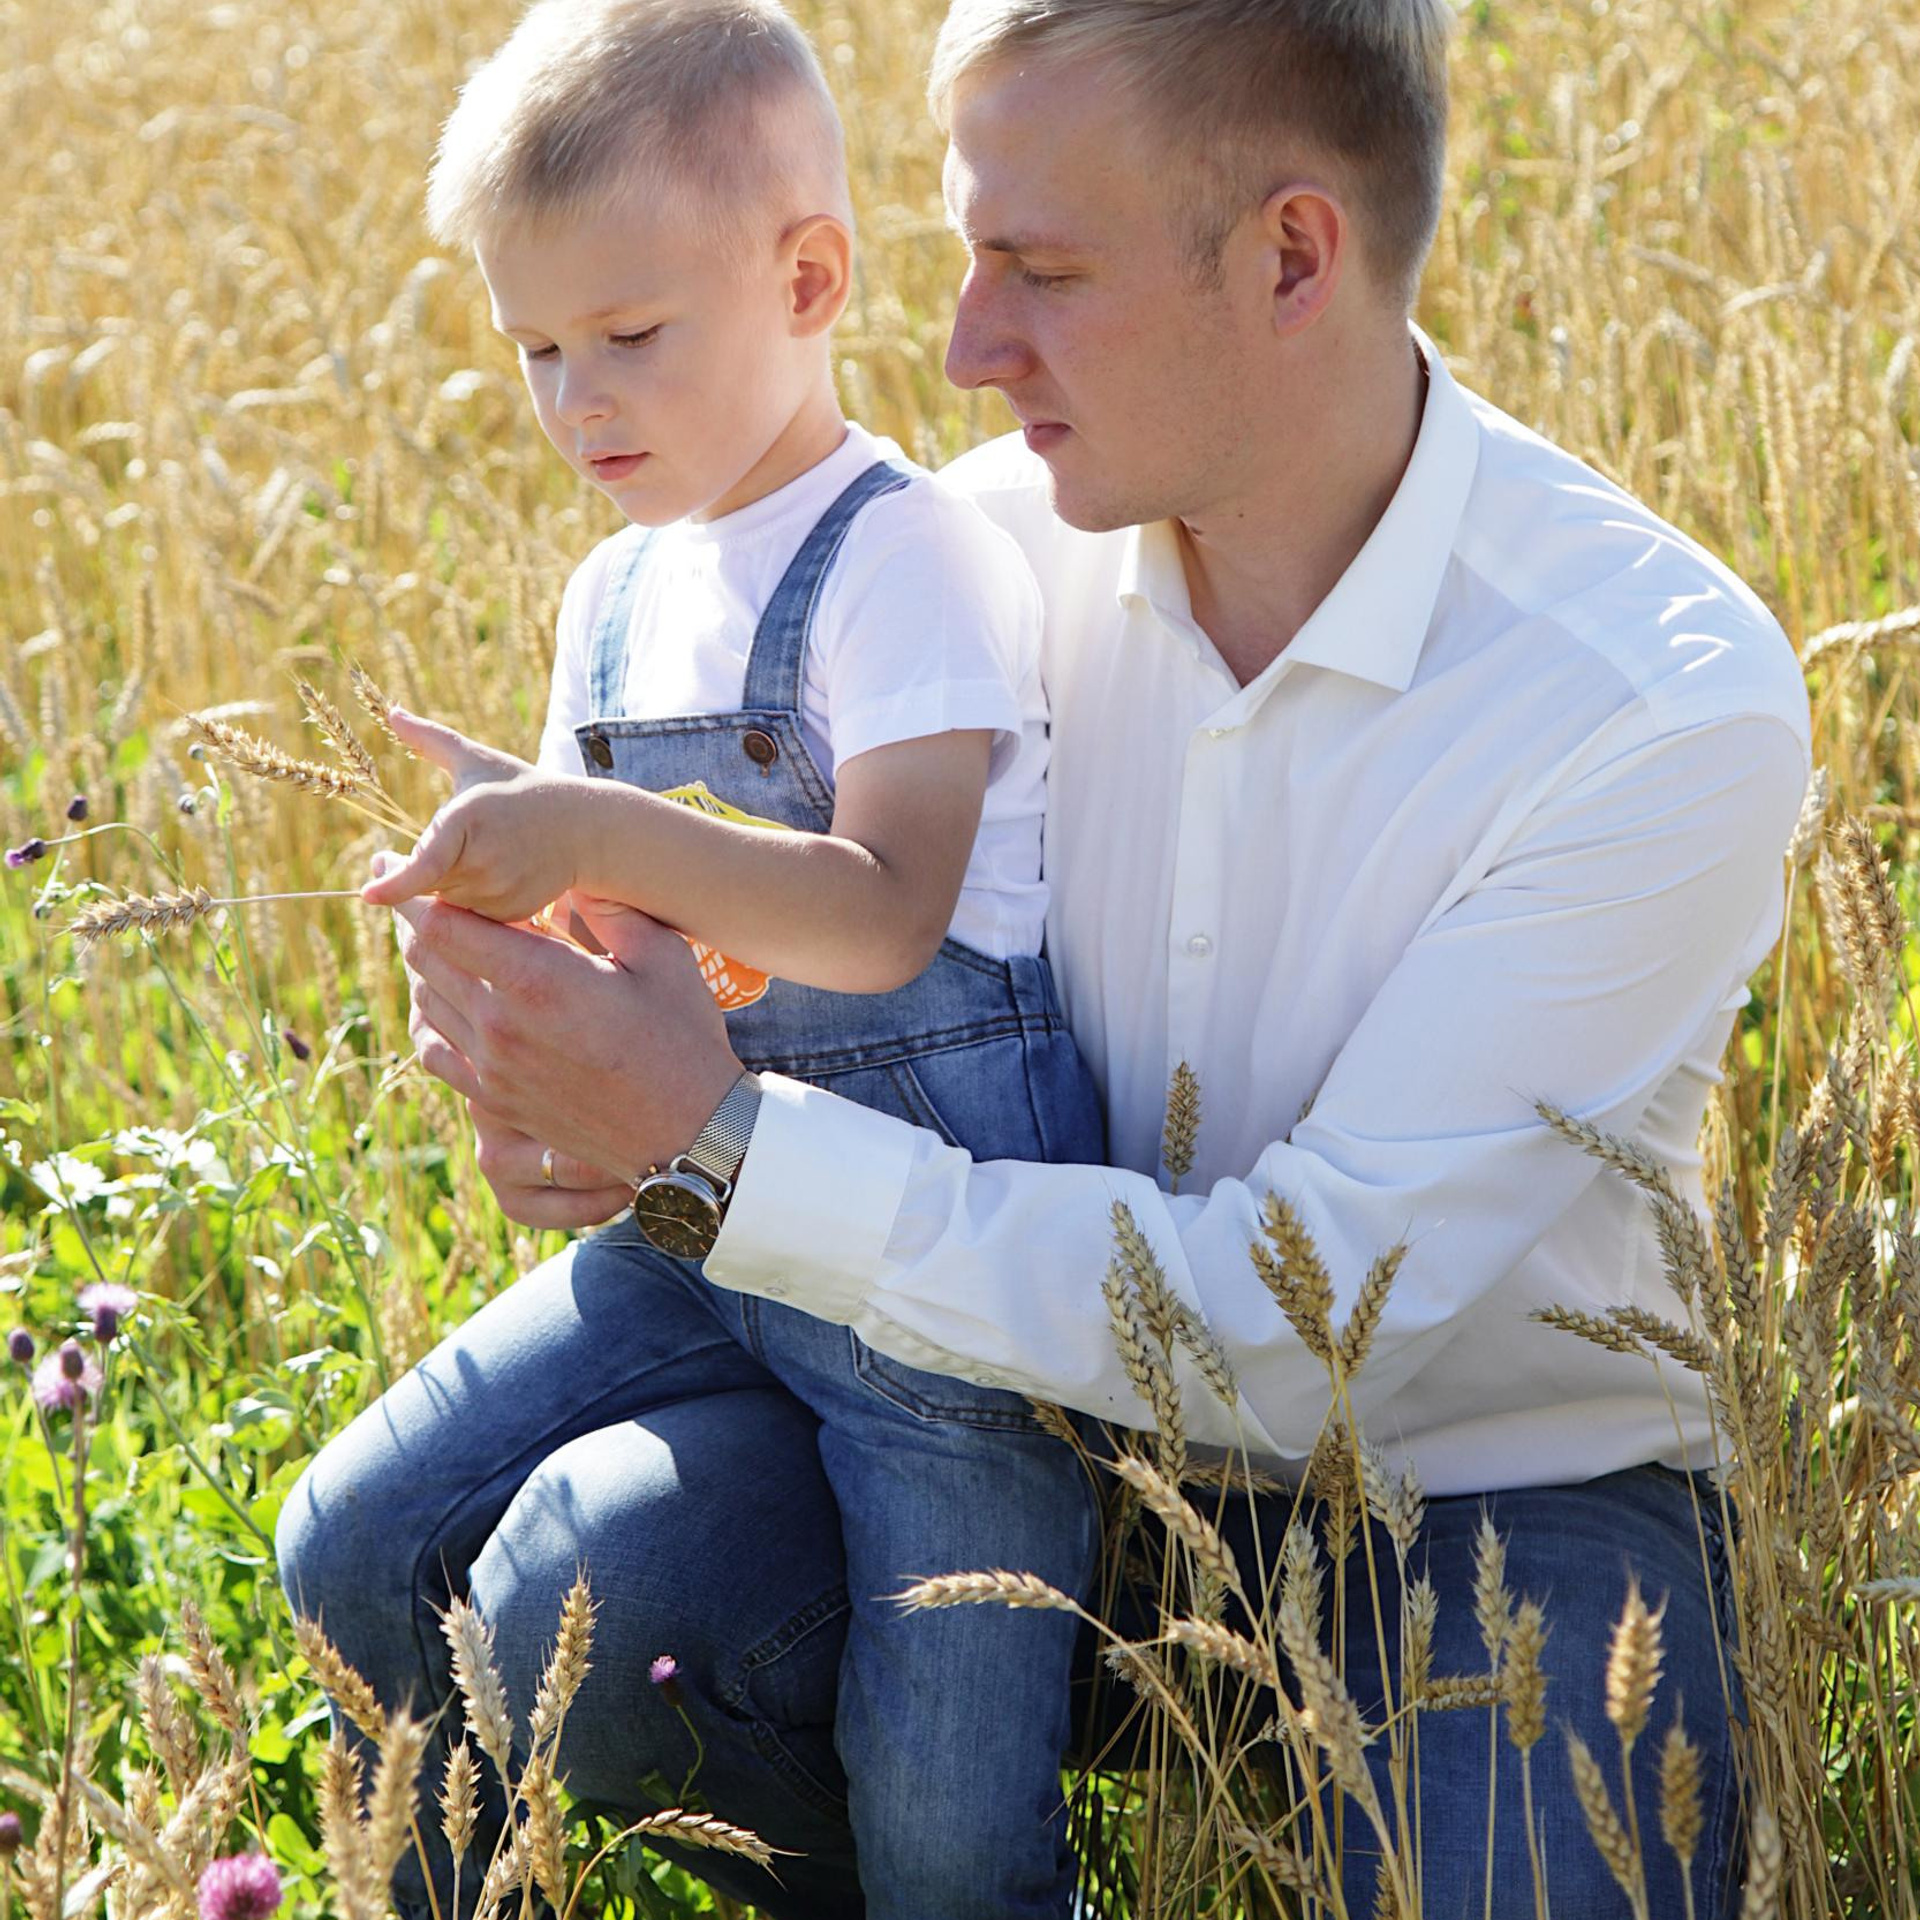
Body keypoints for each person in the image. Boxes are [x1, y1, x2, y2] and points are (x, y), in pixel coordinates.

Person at [327, 0, 1814, 1915]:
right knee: (584, 1591)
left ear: (1292, 253)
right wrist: (581, 1090)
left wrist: (719, 1151)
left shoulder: (1645, 702)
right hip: (985, 1403)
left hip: (1490, 1501)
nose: (958, 348)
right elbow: (782, 995)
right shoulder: (955, 559)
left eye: (1042, 269)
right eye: (965, 260)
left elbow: (1310, 1344)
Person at [274, 3, 1109, 1916]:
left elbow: (888, 903)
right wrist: (514, 900)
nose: (578, 401)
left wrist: (596, 832)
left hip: (933, 1300)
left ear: (808, 276)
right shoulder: (617, 588)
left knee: (947, 1840)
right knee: (355, 1541)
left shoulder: (901, 557)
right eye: (536, 351)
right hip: (694, 1227)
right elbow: (634, 927)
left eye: (628, 337)